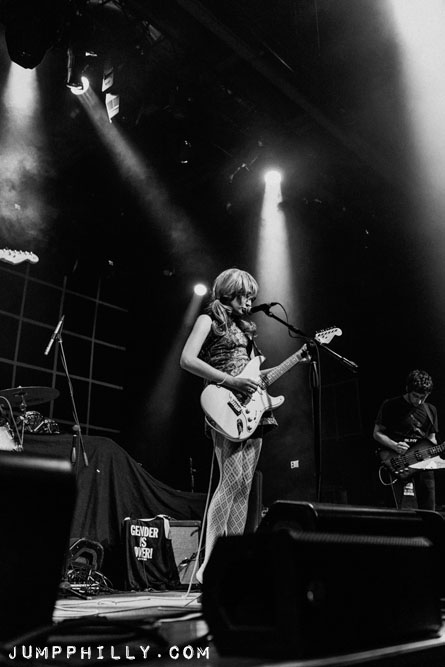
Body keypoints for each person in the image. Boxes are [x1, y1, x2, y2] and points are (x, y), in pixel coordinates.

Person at [180, 267, 308, 583]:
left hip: (253, 409)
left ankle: (233, 562)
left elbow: (255, 376)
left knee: (244, 485)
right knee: (230, 480)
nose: (249, 303)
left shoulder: (246, 329)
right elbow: (187, 359)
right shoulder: (209, 319)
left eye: (252, 297)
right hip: (224, 404)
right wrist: (231, 381)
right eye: (244, 296)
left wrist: (296, 358)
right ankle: (209, 563)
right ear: (228, 293)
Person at [373, 369, 438, 510]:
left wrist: (435, 450)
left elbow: (432, 439)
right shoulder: (390, 405)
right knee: (399, 510)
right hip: (398, 461)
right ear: (408, 389)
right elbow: (377, 433)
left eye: (423, 397)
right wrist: (395, 445)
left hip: (423, 464)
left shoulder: (431, 410)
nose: (419, 401)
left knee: (428, 509)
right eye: (415, 396)